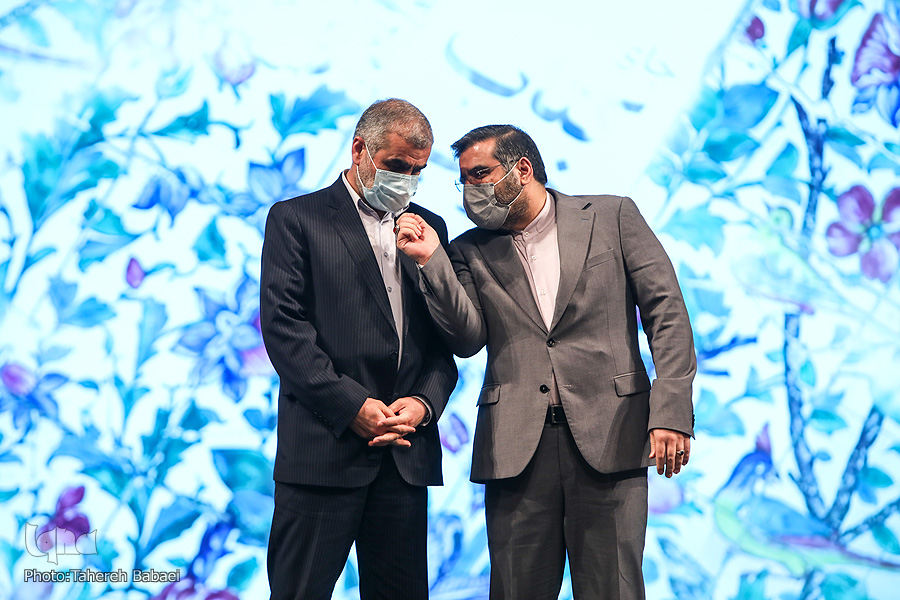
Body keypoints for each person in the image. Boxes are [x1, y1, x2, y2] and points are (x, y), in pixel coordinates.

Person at [396, 124, 696, 599]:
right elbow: (467, 339)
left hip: (612, 435)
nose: (470, 190)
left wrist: (671, 412)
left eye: (480, 175)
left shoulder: (612, 216)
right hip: (516, 449)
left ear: (522, 169)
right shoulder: (469, 250)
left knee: (614, 591)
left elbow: (667, 314)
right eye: (463, 180)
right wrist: (432, 261)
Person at [260, 98, 457, 600]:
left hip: (404, 456)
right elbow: (285, 330)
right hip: (323, 452)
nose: (407, 180)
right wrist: (353, 407)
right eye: (396, 165)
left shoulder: (430, 227)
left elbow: (442, 343)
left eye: (417, 171)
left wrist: (424, 404)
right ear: (359, 150)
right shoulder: (297, 217)